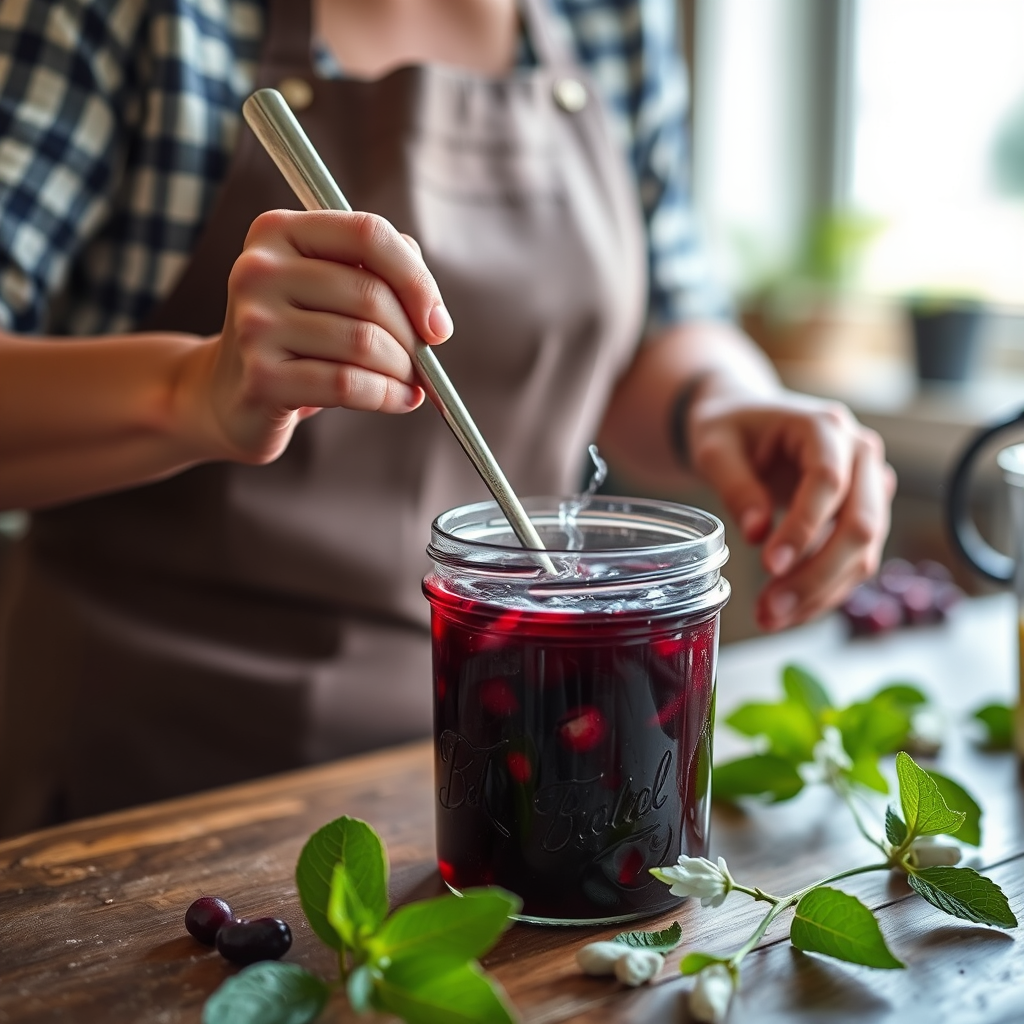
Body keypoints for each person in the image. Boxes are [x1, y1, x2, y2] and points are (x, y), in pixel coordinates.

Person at [0, 0, 894, 836]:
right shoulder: (138, 20)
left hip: (502, 775)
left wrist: (727, 400)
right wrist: (196, 391)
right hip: (142, 789)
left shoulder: (610, 18)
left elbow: (662, 324)